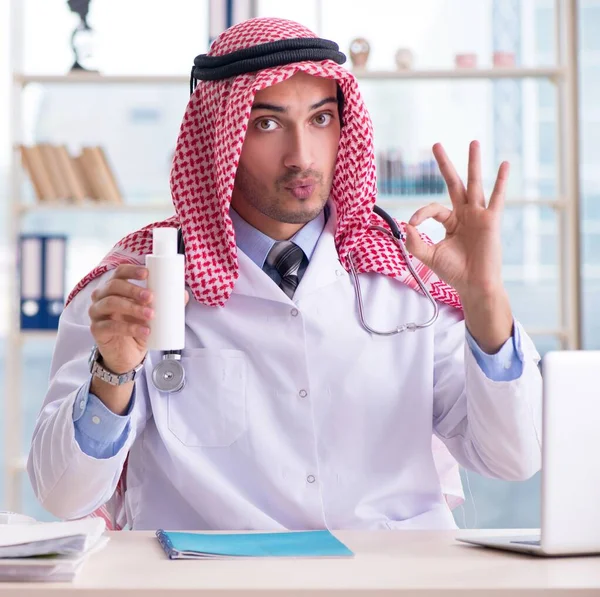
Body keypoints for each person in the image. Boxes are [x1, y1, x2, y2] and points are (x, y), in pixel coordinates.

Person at [28, 17, 542, 531]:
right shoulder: (132, 288)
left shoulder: (410, 272)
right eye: (267, 123)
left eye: (321, 119)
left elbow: (513, 458)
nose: (302, 155)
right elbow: (62, 495)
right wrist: (113, 371)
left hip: (392, 577)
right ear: (217, 139)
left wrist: (486, 299)